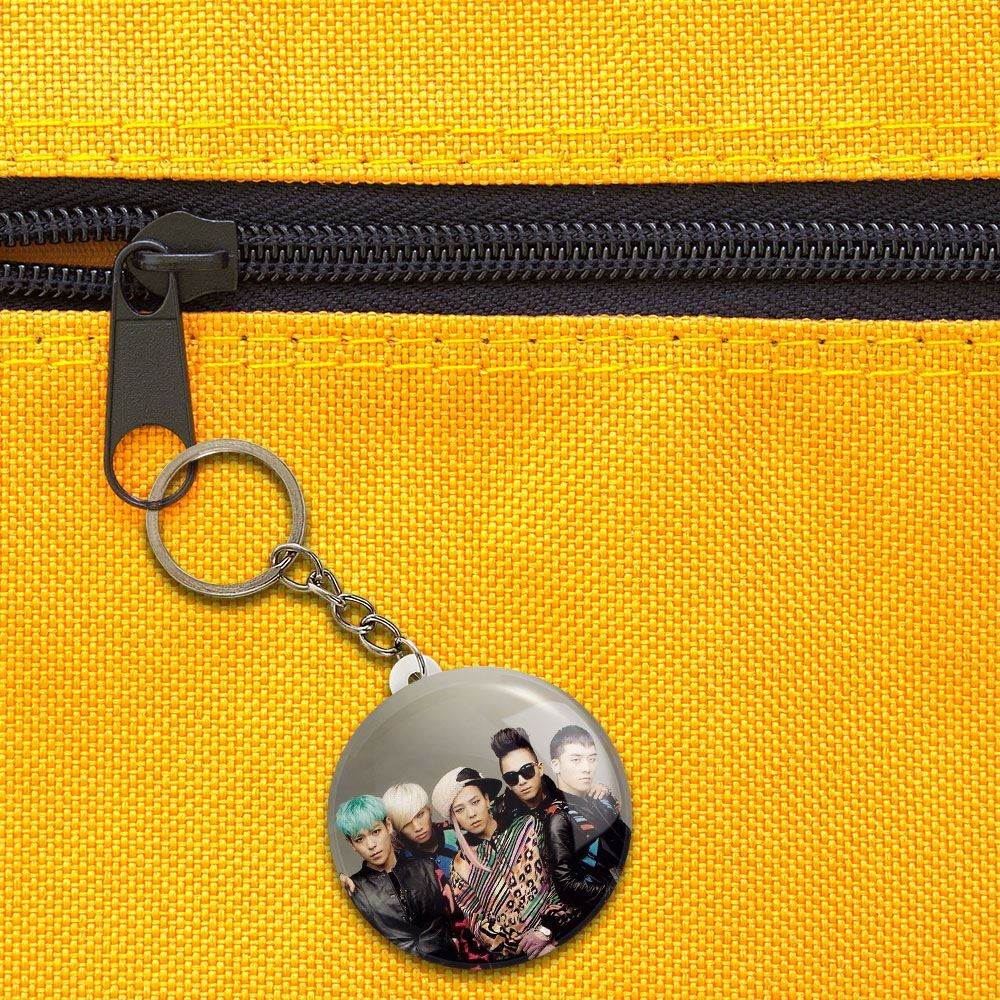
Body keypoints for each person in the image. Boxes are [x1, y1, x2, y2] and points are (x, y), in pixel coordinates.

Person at [430, 767, 573, 963]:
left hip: (567, 933)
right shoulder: (460, 866)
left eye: (475, 802)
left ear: (487, 799)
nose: (471, 814)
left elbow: (562, 879)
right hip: (524, 958)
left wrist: (546, 930)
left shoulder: (528, 827)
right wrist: (527, 946)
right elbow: (479, 924)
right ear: (454, 818)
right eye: (460, 810)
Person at [490, 725, 626, 928]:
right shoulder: (503, 817)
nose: (521, 781)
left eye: (527, 771)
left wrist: (596, 794)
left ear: (540, 768)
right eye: (511, 777)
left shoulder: (564, 799)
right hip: (532, 915)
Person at [333, 794, 456, 963]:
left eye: (375, 832)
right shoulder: (354, 890)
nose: (371, 845)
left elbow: (459, 924)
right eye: (359, 839)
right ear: (352, 845)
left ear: (388, 826)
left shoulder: (427, 867)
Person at [381, 782, 485, 962]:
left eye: (420, 815)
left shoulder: (458, 832)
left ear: (429, 809)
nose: (417, 827)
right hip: (446, 949)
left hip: (488, 927)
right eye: (406, 823)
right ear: (395, 828)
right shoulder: (400, 862)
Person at [548, 724, 631, 901]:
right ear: (556, 765)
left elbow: (625, 840)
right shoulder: (559, 818)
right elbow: (566, 887)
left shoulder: (600, 799)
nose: (587, 768)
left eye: (592, 759)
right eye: (576, 760)